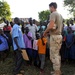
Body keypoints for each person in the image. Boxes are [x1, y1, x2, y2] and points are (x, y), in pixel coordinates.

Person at [43, 2, 63, 75]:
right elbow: (58, 27)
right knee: (57, 54)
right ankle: (57, 71)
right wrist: (50, 32)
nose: (49, 9)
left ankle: (57, 72)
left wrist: (45, 32)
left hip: (54, 37)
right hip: (58, 36)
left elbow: (51, 26)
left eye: (49, 7)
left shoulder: (53, 14)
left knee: (54, 55)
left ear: (52, 7)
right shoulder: (60, 15)